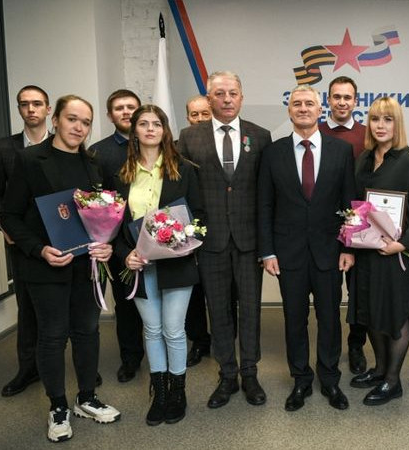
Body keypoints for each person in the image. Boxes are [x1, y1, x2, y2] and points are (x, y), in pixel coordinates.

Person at [0, 95, 121, 443]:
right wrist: (39, 249)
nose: (79, 127)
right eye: (72, 119)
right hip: (45, 266)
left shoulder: (94, 165)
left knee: (88, 332)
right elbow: (9, 216)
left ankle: (87, 398)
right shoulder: (29, 160)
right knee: (52, 336)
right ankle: (57, 407)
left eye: (86, 122)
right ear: (55, 120)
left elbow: (105, 215)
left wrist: (108, 243)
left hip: (86, 266)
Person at [177, 70, 272, 409]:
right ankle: (227, 375)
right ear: (209, 99)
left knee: (250, 310)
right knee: (218, 310)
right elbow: (181, 188)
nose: (227, 99)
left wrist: (267, 244)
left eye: (233, 93)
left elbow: (266, 193)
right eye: (220, 94)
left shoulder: (260, 136)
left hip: (248, 241)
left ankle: (250, 373)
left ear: (241, 97)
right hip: (210, 241)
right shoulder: (189, 137)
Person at [258, 85, 356, 411]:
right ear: (289, 110)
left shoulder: (341, 151)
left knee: (330, 319)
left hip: (330, 252)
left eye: (309, 103)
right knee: (294, 319)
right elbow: (264, 205)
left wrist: (349, 247)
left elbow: (349, 203)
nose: (303, 108)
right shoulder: (273, 153)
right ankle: (301, 379)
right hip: (288, 254)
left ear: (320, 109)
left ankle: (329, 379)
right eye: (297, 103)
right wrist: (267, 251)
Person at [113, 104, 205, 426]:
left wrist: (181, 241)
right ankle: (160, 394)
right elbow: (114, 227)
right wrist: (125, 253)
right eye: (143, 123)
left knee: (173, 330)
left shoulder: (184, 170)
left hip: (176, 263)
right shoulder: (122, 175)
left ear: (165, 130)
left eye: (156, 124)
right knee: (151, 330)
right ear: (134, 130)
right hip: (139, 266)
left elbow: (199, 216)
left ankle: (178, 393)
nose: (150, 129)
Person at [348, 97, 409, 406]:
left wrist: (404, 243)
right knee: (371, 312)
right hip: (367, 251)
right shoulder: (364, 159)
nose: (380, 126)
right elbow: (356, 205)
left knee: (395, 315)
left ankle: (393, 381)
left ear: (397, 124)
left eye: (388, 120)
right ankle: (380, 369)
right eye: (375, 119)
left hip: (397, 254)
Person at [0, 85, 51, 397]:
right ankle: (28, 369)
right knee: (26, 307)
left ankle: (82, 368)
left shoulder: (63, 143)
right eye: (24, 104)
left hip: (58, 238)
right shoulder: (4, 147)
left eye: (37, 103)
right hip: (21, 240)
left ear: (48, 109)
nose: (31, 109)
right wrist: (3, 224)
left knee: (65, 305)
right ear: (19, 109)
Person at [90, 89, 145, 383]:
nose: (126, 112)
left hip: (156, 236)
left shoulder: (156, 143)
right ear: (110, 115)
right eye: (119, 108)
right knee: (126, 303)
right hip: (118, 243)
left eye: (131, 107)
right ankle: (131, 358)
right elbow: (93, 199)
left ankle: (164, 357)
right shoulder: (98, 152)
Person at [318, 75, 368, 374]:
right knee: (329, 294)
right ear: (328, 100)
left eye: (347, 97)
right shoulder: (316, 132)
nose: (342, 102)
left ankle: (356, 344)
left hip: (360, 225)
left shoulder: (367, 135)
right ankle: (331, 347)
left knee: (358, 292)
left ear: (356, 101)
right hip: (326, 229)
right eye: (336, 96)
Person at [182, 94, 213, 367]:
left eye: (205, 113)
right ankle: (199, 340)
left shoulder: (225, 141)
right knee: (193, 290)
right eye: (195, 114)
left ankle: (224, 338)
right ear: (187, 117)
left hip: (223, 228)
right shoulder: (179, 144)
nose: (200, 119)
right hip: (189, 227)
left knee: (225, 292)